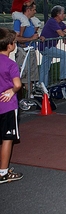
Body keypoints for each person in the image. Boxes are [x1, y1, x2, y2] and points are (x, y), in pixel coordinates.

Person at [0, 28, 23, 184]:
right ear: (10, 46)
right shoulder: (10, 64)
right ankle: (3, 172)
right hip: (7, 106)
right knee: (7, 139)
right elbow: (17, 84)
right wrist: (12, 91)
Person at [38, 5, 66, 86]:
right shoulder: (52, 21)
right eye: (63, 13)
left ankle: (43, 87)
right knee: (64, 55)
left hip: (49, 46)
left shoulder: (60, 23)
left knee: (45, 68)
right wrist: (64, 37)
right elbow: (61, 33)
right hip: (46, 47)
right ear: (58, 14)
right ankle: (64, 76)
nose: (64, 15)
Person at [13, 4, 40, 98]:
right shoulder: (18, 22)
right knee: (22, 75)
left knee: (31, 76)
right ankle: (18, 97)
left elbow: (32, 35)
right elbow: (16, 38)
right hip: (23, 53)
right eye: (34, 9)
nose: (35, 12)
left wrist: (37, 37)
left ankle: (30, 96)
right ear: (28, 10)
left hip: (31, 51)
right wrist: (31, 38)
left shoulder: (31, 21)